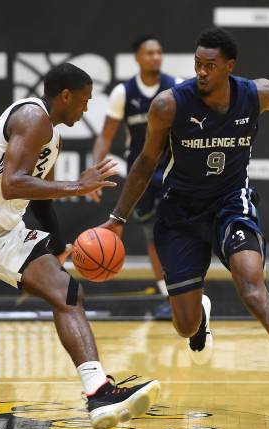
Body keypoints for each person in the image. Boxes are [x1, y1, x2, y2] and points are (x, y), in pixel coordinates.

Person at [100, 27, 269, 428]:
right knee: (185, 325)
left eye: (210, 66)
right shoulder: (169, 105)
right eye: (197, 64)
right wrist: (117, 219)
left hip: (232, 205)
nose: (201, 72)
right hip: (179, 214)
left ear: (230, 66)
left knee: (253, 290)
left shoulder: (254, 93)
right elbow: (145, 163)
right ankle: (200, 323)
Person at [0, 63, 160, 429]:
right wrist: (78, 186)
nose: (86, 110)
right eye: (84, 101)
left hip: (7, 231)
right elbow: (13, 184)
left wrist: (56, 246)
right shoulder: (31, 117)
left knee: (67, 294)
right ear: (66, 96)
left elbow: (38, 200)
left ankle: (98, 391)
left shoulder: (51, 136)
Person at [92, 36, 178, 316]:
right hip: (140, 173)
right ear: (138, 58)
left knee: (175, 232)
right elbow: (105, 136)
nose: (155, 57)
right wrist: (95, 171)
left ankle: (184, 290)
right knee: (152, 235)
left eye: (159, 52)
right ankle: (168, 297)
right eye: (149, 52)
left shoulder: (174, 86)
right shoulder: (124, 92)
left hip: (171, 170)